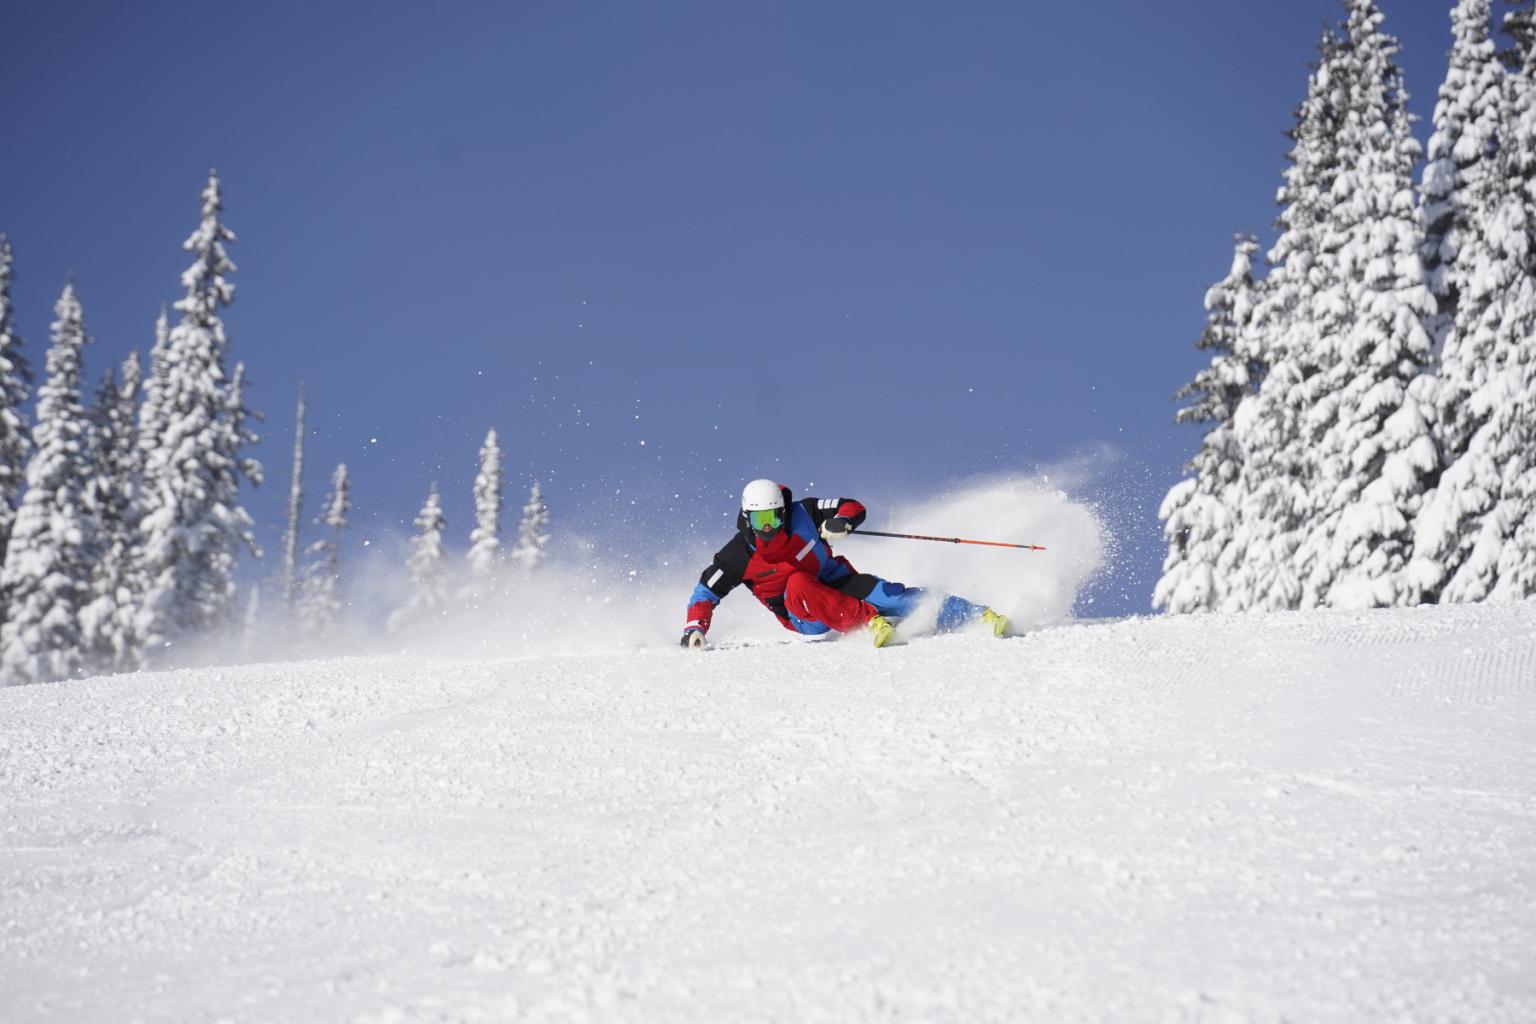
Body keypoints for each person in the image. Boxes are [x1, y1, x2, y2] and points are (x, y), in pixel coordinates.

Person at [681, 479, 1008, 649]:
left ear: (783, 510)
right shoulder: (739, 553)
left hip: (835, 579)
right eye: (759, 519)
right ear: (747, 517)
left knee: (891, 596)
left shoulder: (804, 512)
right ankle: (869, 623)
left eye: (773, 517)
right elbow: (705, 591)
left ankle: (975, 615)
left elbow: (851, 505)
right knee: (797, 582)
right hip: (803, 612)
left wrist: (842, 522)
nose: (768, 527)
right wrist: (695, 628)